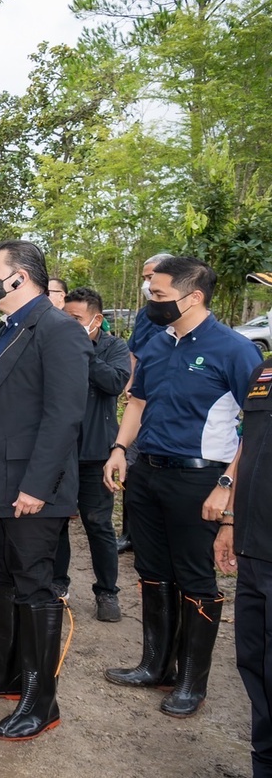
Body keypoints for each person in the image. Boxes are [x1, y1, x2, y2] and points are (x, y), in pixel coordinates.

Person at [103, 256, 262, 718]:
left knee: (195, 577)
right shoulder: (156, 343)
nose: (150, 303)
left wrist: (227, 486)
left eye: (159, 295)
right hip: (148, 471)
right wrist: (119, 449)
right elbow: (137, 402)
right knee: (152, 571)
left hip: (200, 478)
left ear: (193, 297)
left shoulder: (234, 350)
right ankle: (156, 665)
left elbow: (256, 428)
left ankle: (193, 681)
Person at [0, 240, 90, 742]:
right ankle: (3, 672)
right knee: (1, 579)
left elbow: (63, 416)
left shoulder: (58, 331)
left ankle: (40, 700)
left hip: (31, 491)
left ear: (18, 278)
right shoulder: (8, 329)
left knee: (35, 589)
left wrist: (36, 485)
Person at [54, 287, 130, 622]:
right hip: (60, 451)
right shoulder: (56, 346)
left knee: (98, 524)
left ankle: (107, 592)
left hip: (97, 454)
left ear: (96, 320)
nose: (68, 325)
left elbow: (115, 382)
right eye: (65, 318)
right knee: (56, 523)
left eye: (76, 320)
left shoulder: (115, 348)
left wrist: (84, 351)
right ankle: (58, 584)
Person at [215, 351, 272, 777]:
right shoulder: (264, 371)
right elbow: (247, 445)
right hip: (254, 547)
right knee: (254, 666)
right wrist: (230, 520)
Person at [116, 252, 176, 555]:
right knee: (133, 466)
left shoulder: (185, 317)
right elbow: (134, 353)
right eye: (143, 278)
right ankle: (130, 533)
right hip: (140, 404)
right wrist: (130, 386)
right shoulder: (144, 315)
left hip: (169, 408)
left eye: (151, 277)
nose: (146, 283)